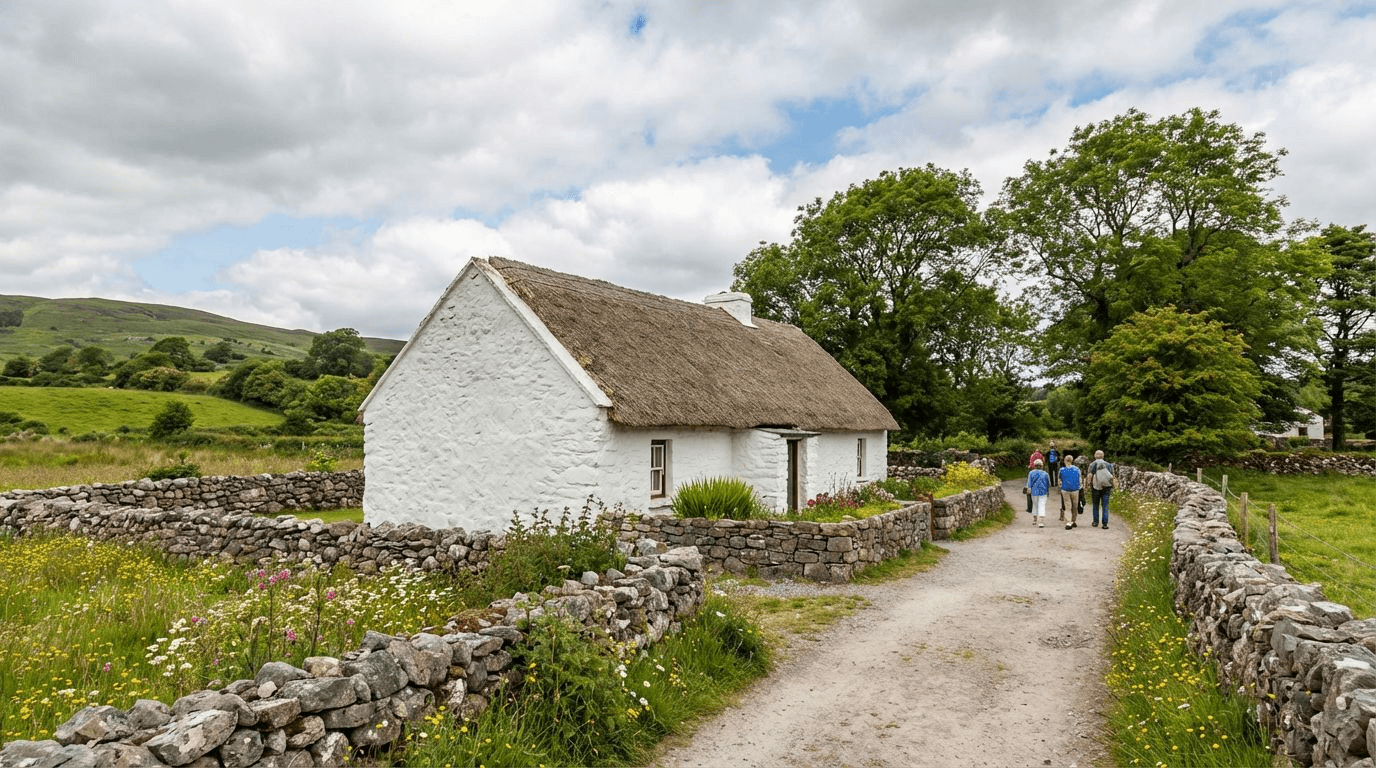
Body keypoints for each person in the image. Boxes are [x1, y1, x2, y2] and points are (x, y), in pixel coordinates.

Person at [1087, 450, 1115, 529]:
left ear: (1095, 456)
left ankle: (1095, 522)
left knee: (1096, 505)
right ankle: (1105, 524)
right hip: (1107, 487)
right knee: (1105, 505)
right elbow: (1112, 476)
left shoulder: (1092, 464)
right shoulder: (1109, 465)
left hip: (1095, 487)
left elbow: (1090, 476)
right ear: (1103, 456)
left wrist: (1089, 485)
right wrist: (1113, 486)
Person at [1026, 458, 1050, 528]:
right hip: (1043, 491)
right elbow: (1048, 484)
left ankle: (1035, 519)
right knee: (1042, 505)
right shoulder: (1045, 474)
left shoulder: (1031, 473)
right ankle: (1041, 521)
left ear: (1034, 465)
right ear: (1042, 466)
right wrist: (1048, 492)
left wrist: (1029, 490)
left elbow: (1029, 483)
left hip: (1034, 491)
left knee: (1035, 505)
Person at [1058, 454, 1081, 530]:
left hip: (1065, 489)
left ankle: (1068, 521)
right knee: (1075, 506)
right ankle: (1073, 520)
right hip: (1075, 490)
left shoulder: (1062, 470)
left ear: (1065, 461)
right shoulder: (1077, 469)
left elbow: (1059, 480)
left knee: (1068, 506)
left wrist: (1060, 488)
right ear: (1072, 461)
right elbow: (1080, 479)